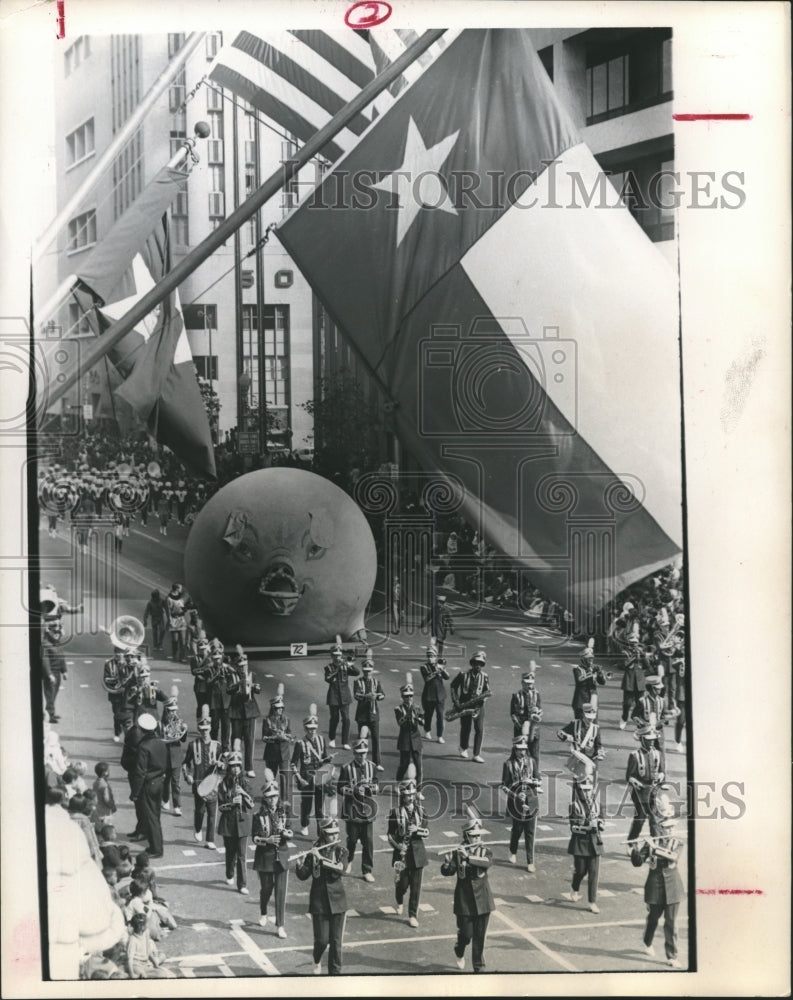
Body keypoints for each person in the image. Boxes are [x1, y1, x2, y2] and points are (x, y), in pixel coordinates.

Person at [441, 810, 495, 974]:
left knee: (480, 937)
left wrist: (468, 857)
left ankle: (479, 967)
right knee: (466, 934)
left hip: (483, 900)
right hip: (464, 900)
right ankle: (459, 949)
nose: (477, 839)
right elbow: (448, 871)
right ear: (466, 836)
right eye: (473, 836)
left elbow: (486, 863)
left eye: (479, 836)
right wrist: (447, 863)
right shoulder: (458, 852)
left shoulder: (485, 851)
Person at [630, 806, 685, 968]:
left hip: (673, 888)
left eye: (672, 827)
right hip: (655, 886)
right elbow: (638, 862)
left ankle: (672, 956)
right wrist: (634, 848)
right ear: (661, 828)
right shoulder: (652, 842)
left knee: (671, 922)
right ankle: (647, 942)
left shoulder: (678, 842)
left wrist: (653, 847)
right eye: (667, 827)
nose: (670, 830)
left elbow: (672, 856)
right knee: (653, 919)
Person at [295, 814, 349, 976]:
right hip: (319, 902)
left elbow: (341, 869)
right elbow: (305, 874)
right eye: (331, 833)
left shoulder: (341, 851)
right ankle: (316, 958)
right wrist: (300, 865)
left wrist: (321, 859)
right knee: (322, 941)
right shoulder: (314, 851)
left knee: (336, 943)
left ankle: (335, 975)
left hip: (338, 902)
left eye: (336, 833)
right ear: (324, 834)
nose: (335, 836)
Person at [387, 764, 430, 927]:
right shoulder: (395, 813)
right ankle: (399, 900)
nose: (410, 799)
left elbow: (427, 832)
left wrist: (417, 829)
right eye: (407, 796)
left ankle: (413, 914)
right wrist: (399, 847)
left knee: (416, 887)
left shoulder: (422, 811)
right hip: (401, 854)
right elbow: (389, 835)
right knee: (402, 884)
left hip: (418, 854)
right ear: (402, 797)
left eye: (412, 795)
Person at [252, 771, 292, 937]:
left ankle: (280, 925)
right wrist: (266, 840)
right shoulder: (258, 816)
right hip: (265, 857)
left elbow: (289, 829)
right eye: (269, 797)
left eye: (275, 796)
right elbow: (254, 838)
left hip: (281, 856)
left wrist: (288, 834)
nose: (273, 800)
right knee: (266, 889)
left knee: (281, 892)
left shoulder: (284, 812)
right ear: (265, 799)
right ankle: (263, 912)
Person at [338, 729, 378, 882]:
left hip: (367, 810)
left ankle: (367, 869)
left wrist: (370, 788)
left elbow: (376, 784)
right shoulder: (346, 768)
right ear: (354, 753)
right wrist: (353, 790)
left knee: (368, 842)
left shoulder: (372, 766)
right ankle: (348, 862)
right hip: (352, 810)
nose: (362, 756)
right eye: (359, 753)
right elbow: (340, 788)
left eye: (364, 753)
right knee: (352, 839)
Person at [500, 724, 541, 872]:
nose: (522, 753)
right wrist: (516, 795)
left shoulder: (532, 762)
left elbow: (539, 779)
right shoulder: (508, 764)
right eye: (519, 750)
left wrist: (534, 782)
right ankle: (513, 850)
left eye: (524, 749)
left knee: (530, 832)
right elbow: (504, 786)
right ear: (515, 750)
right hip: (515, 802)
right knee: (517, 830)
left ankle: (530, 861)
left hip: (531, 800)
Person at [216, 742, 255, 894]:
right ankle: (229, 873)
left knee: (242, 855)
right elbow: (220, 807)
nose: (236, 769)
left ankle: (242, 884)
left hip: (243, 823)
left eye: (238, 766)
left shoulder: (246, 783)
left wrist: (244, 795)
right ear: (229, 768)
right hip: (228, 823)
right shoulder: (223, 785)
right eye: (233, 766)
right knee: (230, 853)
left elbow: (251, 805)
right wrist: (232, 803)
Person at [182, 706, 221, 850]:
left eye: (207, 729)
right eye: (202, 729)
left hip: (213, 785)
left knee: (212, 812)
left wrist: (221, 764)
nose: (205, 732)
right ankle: (197, 828)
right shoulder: (193, 745)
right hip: (198, 785)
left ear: (210, 728)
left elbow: (223, 766)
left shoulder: (217, 746)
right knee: (200, 811)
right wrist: (188, 776)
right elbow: (186, 763)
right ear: (199, 729)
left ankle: (210, 839)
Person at [565, 773, 605, 913]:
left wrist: (600, 825)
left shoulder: (597, 804)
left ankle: (592, 901)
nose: (587, 793)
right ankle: (575, 887)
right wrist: (588, 827)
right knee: (581, 871)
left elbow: (602, 820)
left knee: (594, 873)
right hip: (580, 843)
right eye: (584, 790)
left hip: (595, 843)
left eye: (589, 790)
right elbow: (573, 827)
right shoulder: (574, 806)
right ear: (580, 791)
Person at [129, 713, 168, 859]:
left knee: (151, 817)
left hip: (149, 784)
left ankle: (156, 848)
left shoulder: (143, 746)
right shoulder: (161, 742)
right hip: (160, 782)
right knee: (155, 815)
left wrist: (135, 792)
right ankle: (154, 845)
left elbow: (140, 772)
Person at [291, 705, 333, 836]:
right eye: (309, 729)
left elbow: (324, 759)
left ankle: (320, 832)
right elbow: (293, 764)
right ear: (305, 729)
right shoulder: (300, 743)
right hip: (307, 779)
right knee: (307, 805)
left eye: (314, 729)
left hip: (320, 778)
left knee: (320, 807)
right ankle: (304, 824)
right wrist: (299, 779)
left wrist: (328, 758)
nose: (312, 732)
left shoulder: (321, 740)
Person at [625, 722, 666, 845]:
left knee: (654, 818)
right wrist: (636, 782)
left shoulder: (658, 754)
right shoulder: (635, 755)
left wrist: (661, 776)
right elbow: (629, 776)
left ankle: (657, 842)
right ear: (642, 739)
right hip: (640, 791)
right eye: (649, 740)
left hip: (653, 790)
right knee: (640, 818)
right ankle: (631, 842)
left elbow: (662, 771)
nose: (652, 742)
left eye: (653, 739)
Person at [450, 650, 492, 763]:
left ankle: (476, 754)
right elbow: (453, 686)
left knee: (479, 729)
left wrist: (483, 699)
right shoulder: (463, 675)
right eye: (476, 663)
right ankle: (463, 747)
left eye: (480, 664)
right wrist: (456, 702)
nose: (478, 666)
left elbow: (487, 690)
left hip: (479, 706)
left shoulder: (485, 676)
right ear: (472, 664)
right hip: (465, 705)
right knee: (466, 727)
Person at [228, 647, 262, 777]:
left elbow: (258, 690)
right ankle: (234, 764)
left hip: (250, 712)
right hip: (236, 712)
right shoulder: (233, 676)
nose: (243, 669)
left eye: (245, 666)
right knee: (236, 739)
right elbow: (229, 690)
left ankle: (249, 767)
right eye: (241, 666)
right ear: (237, 666)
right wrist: (239, 684)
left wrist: (252, 686)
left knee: (249, 740)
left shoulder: (252, 675)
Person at [353, 653, 385, 770]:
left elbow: (382, 695)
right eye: (365, 671)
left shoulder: (376, 682)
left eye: (369, 671)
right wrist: (368, 696)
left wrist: (376, 696)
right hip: (362, 715)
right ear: (363, 671)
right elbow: (356, 695)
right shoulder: (358, 682)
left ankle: (377, 763)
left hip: (373, 714)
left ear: (372, 670)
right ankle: (362, 761)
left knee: (376, 739)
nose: (367, 673)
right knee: (362, 739)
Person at [324, 644, 360, 750]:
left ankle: (345, 742)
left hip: (345, 696)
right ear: (331, 656)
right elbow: (328, 679)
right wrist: (338, 669)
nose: (337, 657)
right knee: (334, 718)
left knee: (346, 719)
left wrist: (349, 665)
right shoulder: (329, 667)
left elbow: (357, 672)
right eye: (335, 655)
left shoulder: (345, 666)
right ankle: (332, 739)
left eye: (339, 655)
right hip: (333, 696)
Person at [262, 684, 294, 799]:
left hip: (284, 754)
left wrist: (286, 737)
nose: (280, 710)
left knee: (284, 778)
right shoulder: (267, 721)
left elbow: (290, 735)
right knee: (270, 778)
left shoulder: (287, 720)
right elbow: (264, 738)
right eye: (277, 708)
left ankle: (284, 800)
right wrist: (275, 738)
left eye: (281, 708)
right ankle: (270, 797)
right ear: (273, 708)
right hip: (271, 754)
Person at [160, 687, 188, 816]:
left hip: (176, 756)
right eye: (171, 711)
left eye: (174, 711)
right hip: (165, 756)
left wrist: (184, 730)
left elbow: (182, 740)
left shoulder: (178, 722)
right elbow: (161, 739)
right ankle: (165, 799)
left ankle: (177, 806)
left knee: (176, 783)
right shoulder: (161, 724)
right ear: (166, 711)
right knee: (165, 781)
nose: (173, 714)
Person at [509, 668, 543, 769]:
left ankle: (535, 775)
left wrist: (537, 712)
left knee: (534, 753)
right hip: (520, 728)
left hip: (534, 729)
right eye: (527, 683)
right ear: (522, 683)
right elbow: (513, 714)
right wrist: (522, 726)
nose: (529, 686)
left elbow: (540, 710)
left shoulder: (536, 694)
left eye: (531, 684)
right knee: (518, 752)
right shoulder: (516, 696)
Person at [557, 702, 605, 772]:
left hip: (590, 756)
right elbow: (559, 732)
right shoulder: (575, 724)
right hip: (577, 755)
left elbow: (598, 744)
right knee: (578, 778)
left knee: (592, 775)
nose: (591, 720)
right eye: (589, 718)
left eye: (592, 719)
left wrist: (599, 751)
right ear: (583, 715)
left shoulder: (596, 728)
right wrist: (566, 736)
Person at [125, 912, 174, 979]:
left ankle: (144, 975)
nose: (148, 925)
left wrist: (155, 965)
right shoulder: (133, 940)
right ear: (141, 927)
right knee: (143, 974)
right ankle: (140, 976)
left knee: (161, 973)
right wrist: (132, 974)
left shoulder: (146, 933)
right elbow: (130, 959)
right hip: (135, 964)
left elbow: (148, 951)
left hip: (145, 963)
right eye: (146, 924)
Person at [395, 674, 424, 784]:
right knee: (404, 764)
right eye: (407, 696)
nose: (409, 698)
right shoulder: (398, 709)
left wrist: (420, 720)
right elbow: (399, 722)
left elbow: (422, 721)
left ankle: (419, 790)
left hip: (416, 738)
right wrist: (408, 714)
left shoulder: (417, 707)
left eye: (411, 696)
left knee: (418, 765)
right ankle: (398, 782)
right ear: (403, 697)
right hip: (405, 739)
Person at [619, 629, 650, 729]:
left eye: (636, 643)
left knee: (640, 703)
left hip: (639, 680)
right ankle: (624, 717)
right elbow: (624, 665)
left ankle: (636, 717)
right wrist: (634, 656)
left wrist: (643, 655)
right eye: (632, 643)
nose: (634, 645)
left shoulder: (641, 651)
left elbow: (647, 665)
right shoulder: (625, 652)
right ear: (628, 643)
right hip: (629, 680)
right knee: (627, 703)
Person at [207, 638, 234, 751]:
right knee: (214, 726)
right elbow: (208, 682)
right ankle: (214, 745)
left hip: (226, 701)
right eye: (215, 657)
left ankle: (225, 747)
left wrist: (228, 672)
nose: (217, 660)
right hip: (214, 701)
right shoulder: (209, 668)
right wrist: (216, 676)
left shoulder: (227, 668)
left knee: (226, 726)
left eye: (219, 657)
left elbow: (234, 680)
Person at [41, 615, 69, 724]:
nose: (57, 635)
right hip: (51, 673)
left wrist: (64, 671)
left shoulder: (56, 643)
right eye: (55, 633)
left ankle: (50, 712)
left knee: (54, 693)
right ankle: (50, 715)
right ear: (49, 633)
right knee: (50, 694)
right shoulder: (45, 645)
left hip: (57, 672)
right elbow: (45, 661)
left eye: (58, 634)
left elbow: (61, 657)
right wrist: (49, 674)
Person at [420, 646, 450, 743]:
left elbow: (447, 677)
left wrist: (443, 670)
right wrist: (436, 671)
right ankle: (427, 730)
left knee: (440, 715)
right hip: (429, 694)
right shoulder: (424, 667)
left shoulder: (439, 665)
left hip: (440, 694)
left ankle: (439, 735)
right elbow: (427, 679)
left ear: (435, 656)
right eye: (428, 656)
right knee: (428, 714)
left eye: (432, 656)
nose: (430, 658)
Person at [572, 640, 607, 720]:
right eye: (589, 659)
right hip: (581, 700)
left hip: (593, 699)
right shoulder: (577, 669)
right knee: (581, 723)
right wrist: (591, 673)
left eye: (592, 658)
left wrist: (600, 674)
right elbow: (580, 680)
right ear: (583, 659)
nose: (591, 660)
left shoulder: (593, 668)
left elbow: (602, 682)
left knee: (594, 723)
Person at [189, 633, 214, 723]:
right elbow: (194, 671)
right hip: (200, 686)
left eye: (204, 647)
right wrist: (205, 669)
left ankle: (208, 723)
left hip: (210, 684)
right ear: (199, 648)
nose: (203, 650)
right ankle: (199, 722)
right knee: (201, 705)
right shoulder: (195, 659)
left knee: (210, 705)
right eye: (201, 648)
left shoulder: (211, 657)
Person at [165, 583, 187, 663]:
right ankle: (174, 656)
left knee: (183, 640)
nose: (181, 589)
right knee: (175, 640)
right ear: (177, 589)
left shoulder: (181, 598)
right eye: (180, 588)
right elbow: (168, 611)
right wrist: (170, 620)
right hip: (174, 620)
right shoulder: (169, 599)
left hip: (181, 620)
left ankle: (182, 657)